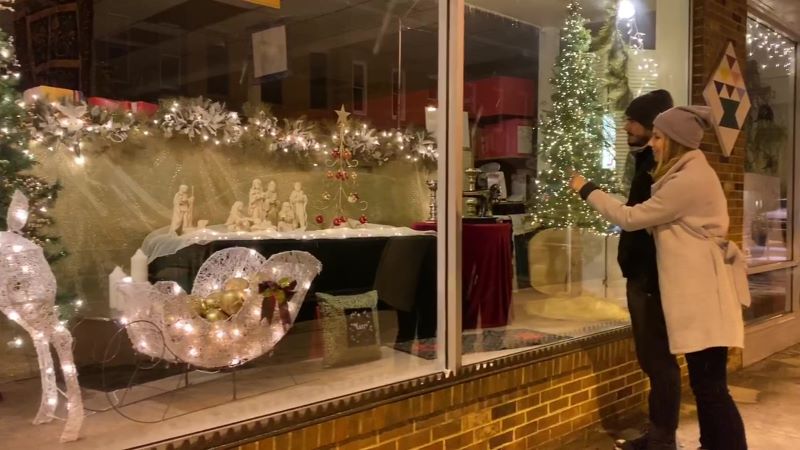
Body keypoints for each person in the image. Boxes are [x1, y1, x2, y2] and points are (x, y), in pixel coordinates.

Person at [570, 106, 749, 450]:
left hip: (705, 296)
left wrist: (587, 189)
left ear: (676, 141)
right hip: (701, 294)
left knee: (711, 388)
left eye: (658, 137)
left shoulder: (688, 180)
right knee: (707, 386)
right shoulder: (686, 174)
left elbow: (631, 217)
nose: (652, 143)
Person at [617, 90, 680, 450]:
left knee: (658, 359)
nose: (627, 126)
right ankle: (659, 433)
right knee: (654, 359)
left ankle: (661, 438)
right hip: (643, 274)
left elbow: (636, 218)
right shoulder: (645, 162)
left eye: (633, 120)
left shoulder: (659, 169)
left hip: (651, 277)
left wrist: (588, 191)